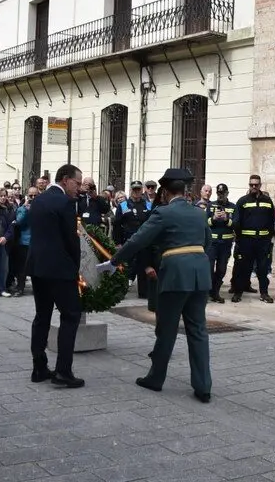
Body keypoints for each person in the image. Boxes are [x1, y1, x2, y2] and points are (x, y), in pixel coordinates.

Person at [101, 168, 212, 403]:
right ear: (184, 191)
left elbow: (138, 240)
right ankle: (203, 386)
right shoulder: (199, 213)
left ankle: (156, 378)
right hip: (200, 274)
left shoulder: (163, 213)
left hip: (175, 275)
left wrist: (114, 261)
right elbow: (208, 244)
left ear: (165, 192)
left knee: (166, 329)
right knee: (198, 331)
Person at [26, 164, 85, 389]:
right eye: (76, 183)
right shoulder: (65, 203)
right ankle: (63, 370)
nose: (78, 188)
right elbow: (71, 240)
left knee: (42, 316)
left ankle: (39, 366)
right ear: (64, 179)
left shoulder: (38, 199)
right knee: (71, 316)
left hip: (38, 267)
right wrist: (76, 267)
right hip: (60, 269)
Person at [231, 174, 275, 303]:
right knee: (243, 268)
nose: (254, 186)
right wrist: (239, 240)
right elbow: (237, 222)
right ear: (249, 185)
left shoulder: (267, 201)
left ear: (260, 185)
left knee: (262, 269)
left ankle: (264, 293)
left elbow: (271, 221)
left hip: (263, 242)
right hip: (246, 241)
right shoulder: (242, 201)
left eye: (256, 184)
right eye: (251, 185)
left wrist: (269, 239)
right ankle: (238, 292)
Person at [206, 183, 235, 304]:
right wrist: (213, 219)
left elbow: (236, 224)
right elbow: (205, 222)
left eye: (223, 193)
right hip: (212, 243)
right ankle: (211, 291)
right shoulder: (211, 205)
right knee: (209, 268)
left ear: (227, 193)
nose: (220, 196)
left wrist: (226, 220)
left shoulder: (233, 207)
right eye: (219, 193)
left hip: (226, 243)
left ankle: (215, 291)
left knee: (222, 269)